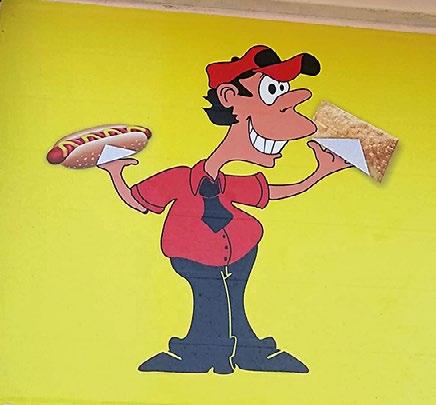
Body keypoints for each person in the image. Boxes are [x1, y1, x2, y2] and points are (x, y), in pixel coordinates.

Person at [99, 45, 351, 374]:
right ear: (230, 97)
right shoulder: (179, 179)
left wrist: (320, 173)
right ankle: (204, 354)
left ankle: (241, 350)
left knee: (232, 301)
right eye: (270, 92)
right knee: (213, 299)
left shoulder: (228, 183)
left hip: (241, 250)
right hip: (193, 256)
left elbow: (275, 191)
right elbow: (139, 200)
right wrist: (115, 173)